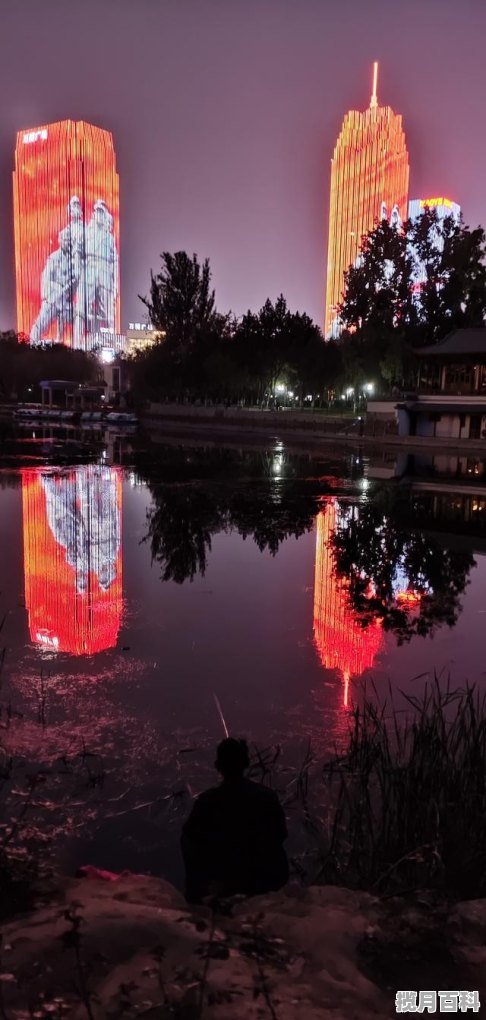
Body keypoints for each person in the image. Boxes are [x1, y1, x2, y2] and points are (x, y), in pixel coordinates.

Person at [181, 738, 288, 903]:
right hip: (266, 879)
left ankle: (197, 899)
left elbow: (190, 838)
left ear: (218, 766)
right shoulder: (267, 796)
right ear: (246, 763)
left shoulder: (207, 801)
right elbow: (281, 834)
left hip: (227, 881)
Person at [30, 231, 76, 343]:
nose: (68, 242)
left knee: (78, 317)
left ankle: (67, 343)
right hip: (53, 297)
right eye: (66, 240)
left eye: (70, 240)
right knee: (41, 323)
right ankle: (33, 342)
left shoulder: (74, 259)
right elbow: (46, 278)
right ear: (60, 241)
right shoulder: (54, 258)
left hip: (66, 300)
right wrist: (57, 289)